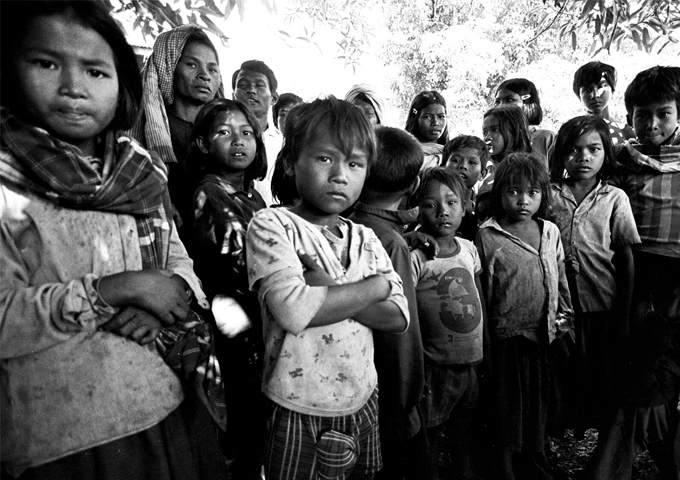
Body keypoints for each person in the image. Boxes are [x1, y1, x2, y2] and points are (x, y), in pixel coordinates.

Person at [0, 2, 226, 479]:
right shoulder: (7, 186)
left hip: (167, 408)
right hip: (64, 439)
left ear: (122, 84)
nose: (73, 87)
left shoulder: (140, 172)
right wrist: (115, 291)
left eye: (96, 71)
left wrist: (171, 295)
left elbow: (176, 260)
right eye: (47, 63)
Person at [245, 97, 410, 480]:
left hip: (362, 396)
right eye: (324, 159)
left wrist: (327, 290)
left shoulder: (366, 237)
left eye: (354, 164)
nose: (340, 175)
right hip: (296, 401)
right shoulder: (273, 226)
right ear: (291, 163)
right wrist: (375, 286)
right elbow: (294, 311)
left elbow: (398, 317)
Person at [590, 65, 680, 479]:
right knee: (639, 363)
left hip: (678, 274)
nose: (653, 124)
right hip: (635, 272)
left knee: (660, 368)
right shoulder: (623, 163)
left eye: (663, 113)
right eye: (643, 115)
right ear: (629, 117)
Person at [475, 154, 573, 480]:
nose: (523, 200)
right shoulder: (487, 237)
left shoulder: (550, 232)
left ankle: (535, 461)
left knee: (538, 406)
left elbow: (561, 281)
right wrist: (485, 346)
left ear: (543, 194)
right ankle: (505, 470)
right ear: (500, 193)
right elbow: (483, 294)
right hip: (507, 343)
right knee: (507, 411)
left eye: (532, 192)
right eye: (514, 192)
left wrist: (565, 326)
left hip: (544, 337)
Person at [189, 98, 268, 479]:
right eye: (224, 132)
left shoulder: (252, 194)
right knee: (247, 413)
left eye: (246, 132)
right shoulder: (210, 193)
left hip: (256, 308)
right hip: (234, 315)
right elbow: (240, 260)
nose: (238, 140)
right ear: (204, 144)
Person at [549, 116, 640, 434]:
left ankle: (594, 432)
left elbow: (625, 257)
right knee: (565, 367)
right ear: (561, 154)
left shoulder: (615, 199)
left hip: (601, 300)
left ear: (606, 154)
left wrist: (624, 313)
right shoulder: (548, 196)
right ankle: (565, 428)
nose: (583, 157)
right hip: (558, 306)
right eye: (573, 150)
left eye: (593, 149)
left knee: (599, 368)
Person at [348, 127, 428, 480]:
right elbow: (401, 331)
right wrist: (407, 401)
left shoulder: (350, 222)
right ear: (412, 187)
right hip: (391, 398)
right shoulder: (390, 242)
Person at [410, 168, 487, 480]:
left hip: (470, 361)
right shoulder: (417, 254)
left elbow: (479, 296)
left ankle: (464, 471)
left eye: (451, 202)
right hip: (435, 363)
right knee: (431, 430)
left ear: (465, 204)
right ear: (416, 208)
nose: (443, 211)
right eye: (430, 205)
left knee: (463, 427)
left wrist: (486, 351)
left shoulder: (468, 248)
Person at [129, 24, 223, 251]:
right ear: (169, 66)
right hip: (161, 245)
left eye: (213, 69)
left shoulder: (224, 131)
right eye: (192, 64)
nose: (204, 76)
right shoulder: (145, 126)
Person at [232, 59, 281, 206]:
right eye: (242, 85)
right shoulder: (224, 140)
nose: (251, 90)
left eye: (259, 85)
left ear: (274, 97)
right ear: (233, 94)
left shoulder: (285, 144)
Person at [477, 106, 533, 222]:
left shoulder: (530, 169)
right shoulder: (483, 166)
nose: (488, 137)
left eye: (495, 130)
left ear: (515, 131)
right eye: (485, 132)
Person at [573, 61, 635, 146]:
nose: (595, 95)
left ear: (612, 89)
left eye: (601, 87)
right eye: (587, 90)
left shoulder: (626, 131)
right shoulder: (573, 131)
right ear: (579, 94)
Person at [494, 78, 555, 163]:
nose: (501, 106)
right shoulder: (492, 141)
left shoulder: (545, 138)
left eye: (509, 100)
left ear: (527, 104)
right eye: (497, 102)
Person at [443, 135, 490, 240]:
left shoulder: (482, 214)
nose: (463, 166)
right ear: (442, 166)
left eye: (472, 162)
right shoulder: (434, 205)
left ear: (482, 173)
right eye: (455, 160)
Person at [405, 91, 450, 170]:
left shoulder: (452, 155)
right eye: (427, 117)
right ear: (415, 119)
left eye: (441, 116)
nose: (435, 123)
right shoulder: (403, 156)